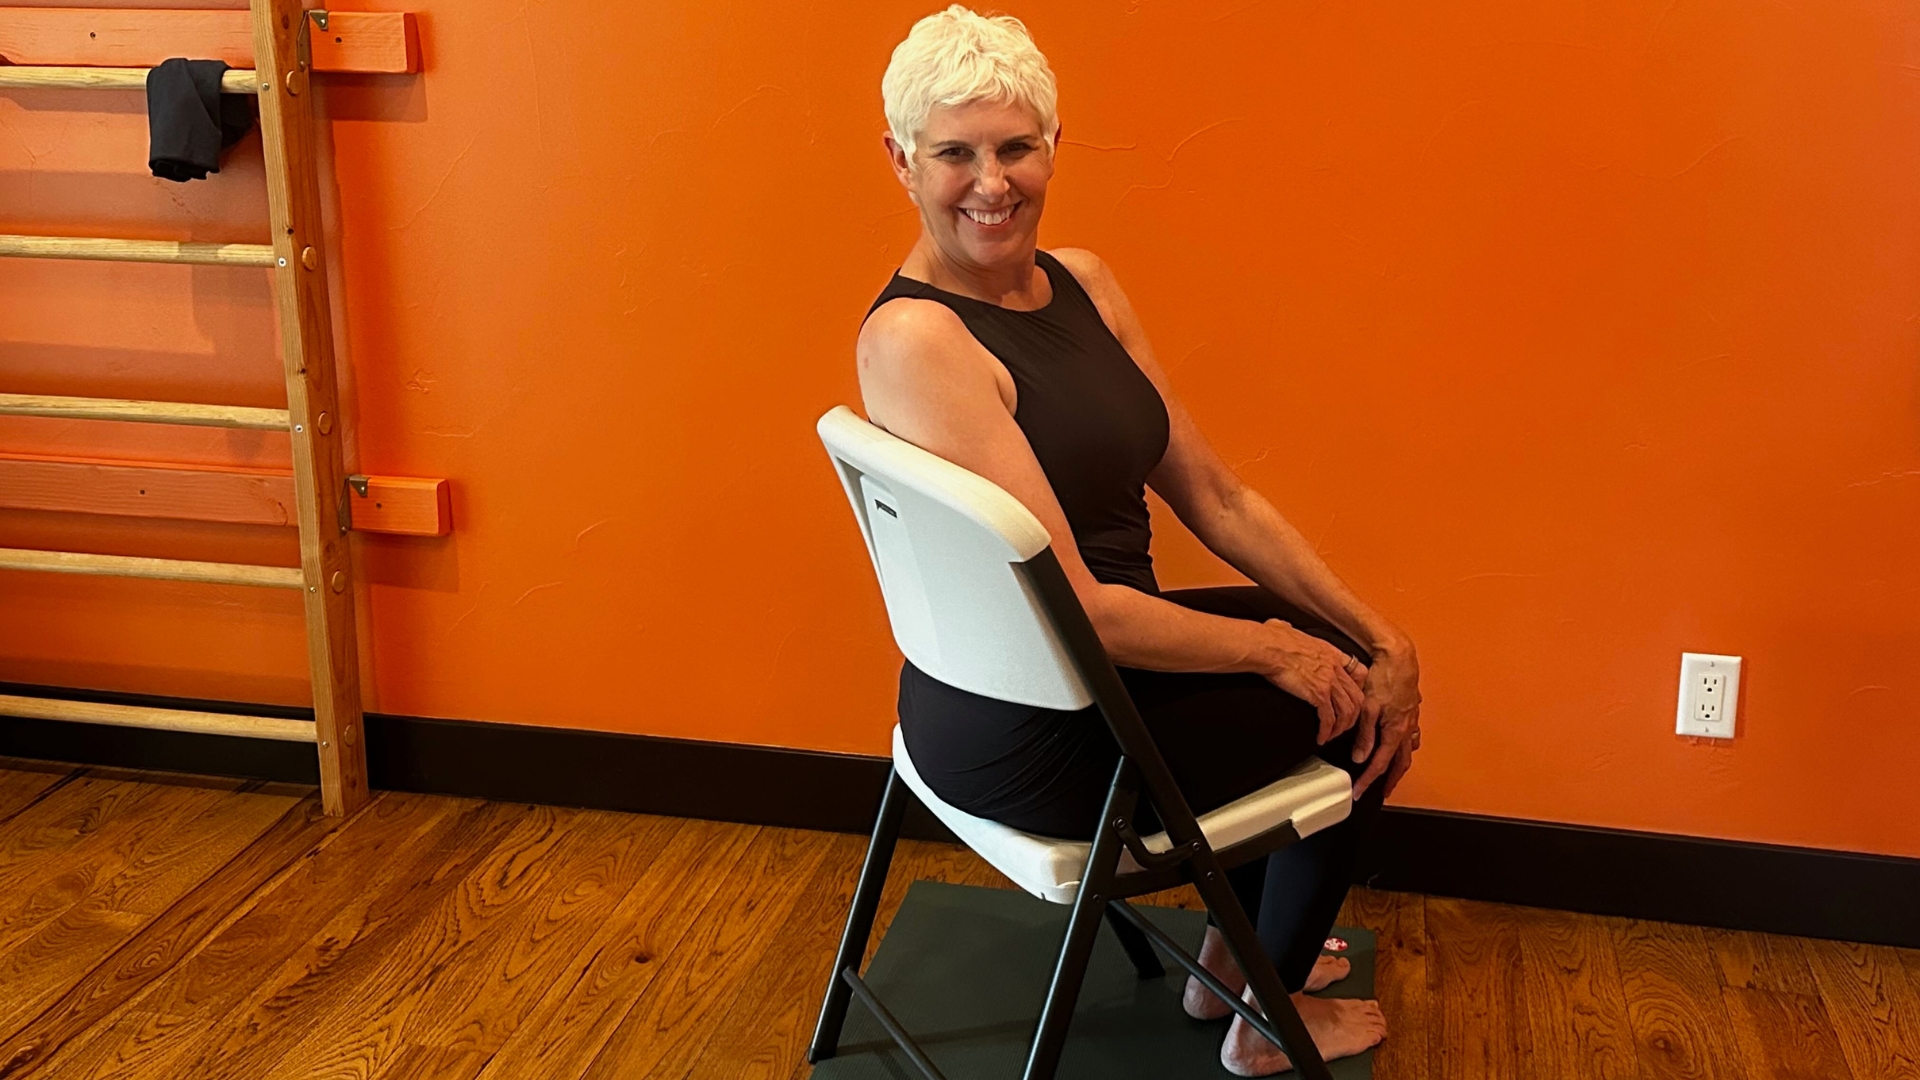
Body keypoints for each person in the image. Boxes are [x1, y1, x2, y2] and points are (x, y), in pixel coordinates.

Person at [856, 7, 1424, 1076]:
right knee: (1350, 705)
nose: (992, 183)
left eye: (1016, 146)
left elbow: (1216, 494)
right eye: (955, 154)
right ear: (901, 160)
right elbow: (1077, 610)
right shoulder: (918, 338)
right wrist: (1282, 651)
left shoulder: (1084, 282)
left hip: (1109, 670)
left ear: (1053, 145)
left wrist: (1381, 632)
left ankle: (1234, 955)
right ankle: (1270, 1016)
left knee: (1356, 658)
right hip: (1040, 723)